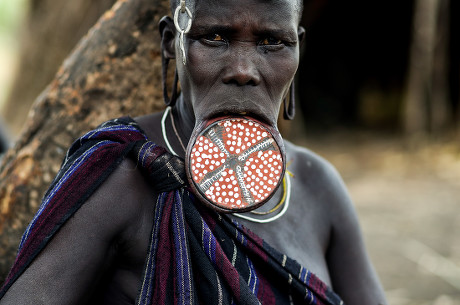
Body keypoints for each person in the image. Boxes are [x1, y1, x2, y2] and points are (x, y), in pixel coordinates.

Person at [0, 0, 387, 304]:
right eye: (215, 37)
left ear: (298, 47)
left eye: (273, 42)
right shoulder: (121, 175)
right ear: (173, 42)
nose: (243, 69)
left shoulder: (319, 186)